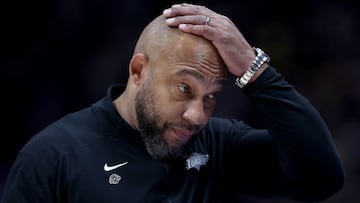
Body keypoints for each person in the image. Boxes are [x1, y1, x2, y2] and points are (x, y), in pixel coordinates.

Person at [1, 3, 344, 203]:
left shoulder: (219, 146)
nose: (197, 115)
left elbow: (322, 178)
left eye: (211, 97)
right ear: (139, 71)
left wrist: (255, 70)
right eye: (184, 88)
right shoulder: (53, 156)